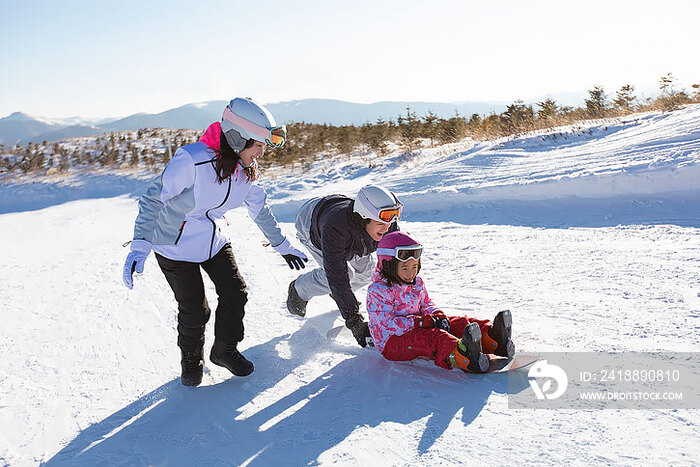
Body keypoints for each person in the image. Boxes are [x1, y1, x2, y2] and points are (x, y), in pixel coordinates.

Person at [122, 97, 308, 387]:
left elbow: (260, 210)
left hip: (214, 240)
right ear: (237, 138)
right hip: (174, 245)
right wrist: (140, 244)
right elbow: (152, 199)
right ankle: (191, 361)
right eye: (258, 145)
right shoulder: (192, 160)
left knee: (236, 292)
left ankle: (224, 350)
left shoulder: (245, 170)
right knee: (196, 309)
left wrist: (283, 246)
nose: (262, 152)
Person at [366, 231, 515, 373]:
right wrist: (419, 323)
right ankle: (463, 356)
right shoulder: (378, 291)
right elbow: (385, 324)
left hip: (419, 326)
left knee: (457, 323)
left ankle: (492, 338)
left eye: (415, 266)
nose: (411, 273)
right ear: (388, 266)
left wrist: (437, 315)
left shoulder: (416, 282)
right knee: (434, 337)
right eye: (405, 268)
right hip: (392, 342)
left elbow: (425, 303)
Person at [286, 185, 401, 347]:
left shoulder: (387, 225)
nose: (388, 226)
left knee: (366, 273)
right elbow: (337, 276)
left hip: (352, 232)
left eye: (393, 218)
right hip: (311, 224)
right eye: (382, 221)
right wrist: (354, 321)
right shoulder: (335, 227)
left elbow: (395, 264)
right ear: (364, 216)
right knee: (340, 276)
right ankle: (298, 289)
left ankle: (340, 296)